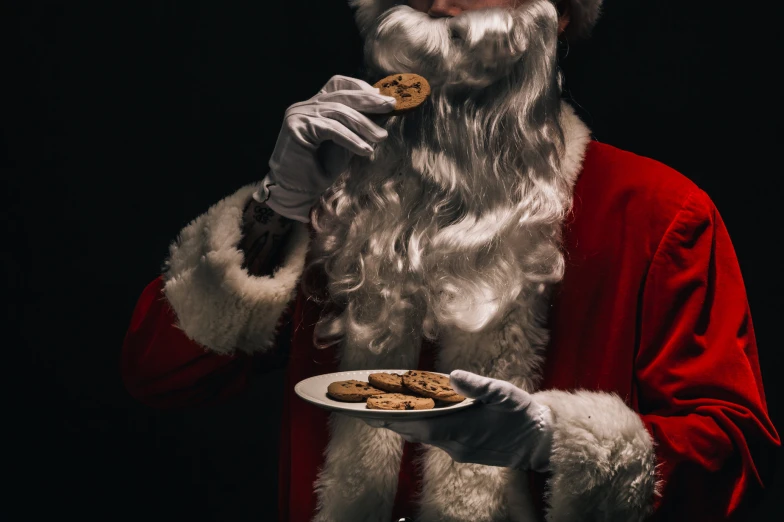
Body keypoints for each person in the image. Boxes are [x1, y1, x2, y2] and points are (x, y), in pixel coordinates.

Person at [121, 0, 780, 520]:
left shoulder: (659, 214)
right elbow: (159, 373)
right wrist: (279, 201)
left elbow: (734, 455)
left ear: (560, 15)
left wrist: (551, 441)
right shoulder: (340, 204)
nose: (437, 7)